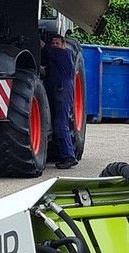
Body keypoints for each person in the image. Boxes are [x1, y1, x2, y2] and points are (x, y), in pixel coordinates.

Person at [42, 34, 77, 169]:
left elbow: (48, 50)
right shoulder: (57, 57)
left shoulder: (64, 54)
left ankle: (69, 156)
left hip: (62, 91)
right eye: (53, 43)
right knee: (59, 123)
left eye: (57, 43)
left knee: (61, 123)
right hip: (59, 90)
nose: (55, 46)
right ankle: (63, 154)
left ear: (63, 44)